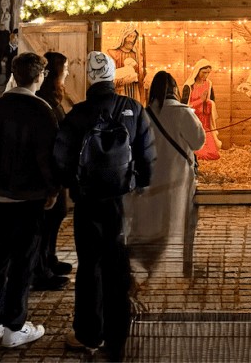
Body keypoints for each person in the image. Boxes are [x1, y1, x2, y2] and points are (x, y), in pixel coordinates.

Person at [53, 51, 155, 361]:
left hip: (87, 201)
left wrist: (72, 184)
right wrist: (139, 182)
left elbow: (61, 157)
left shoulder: (78, 114)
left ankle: (88, 334)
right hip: (122, 201)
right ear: (113, 77)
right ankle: (118, 336)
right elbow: (147, 157)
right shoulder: (133, 109)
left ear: (90, 78)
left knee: (89, 266)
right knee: (118, 266)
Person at [0, 51, 60, 348]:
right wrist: (53, 189)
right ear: (39, 76)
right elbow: (47, 155)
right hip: (29, 196)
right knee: (23, 262)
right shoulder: (41, 110)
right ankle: (15, 325)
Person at [126, 70, 205, 281]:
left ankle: (145, 265)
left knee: (150, 222)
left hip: (151, 178)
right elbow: (198, 141)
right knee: (177, 222)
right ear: (175, 90)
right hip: (177, 179)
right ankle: (175, 268)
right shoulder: (183, 112)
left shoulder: (144, 113)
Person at [32, 52, 73, 290]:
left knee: (55, 218)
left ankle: (49, 258)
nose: (67, 72)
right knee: (45, 222)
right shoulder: (44, 101)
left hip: (57, 170)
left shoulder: (53, 97)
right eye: (65, 68)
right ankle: (41, 270)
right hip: (49, 172)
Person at [181, 59, 221, 160]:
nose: (206, 75)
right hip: (193, 123)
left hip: (205, 123)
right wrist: (200, 101)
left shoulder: (209, 84)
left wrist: (208, 102)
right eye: (204, 72)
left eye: (208, 73)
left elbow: (212, 101)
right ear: (197, 71)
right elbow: (183, 107)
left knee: (214, 154)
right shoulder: (189, 86)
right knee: (202, 154)